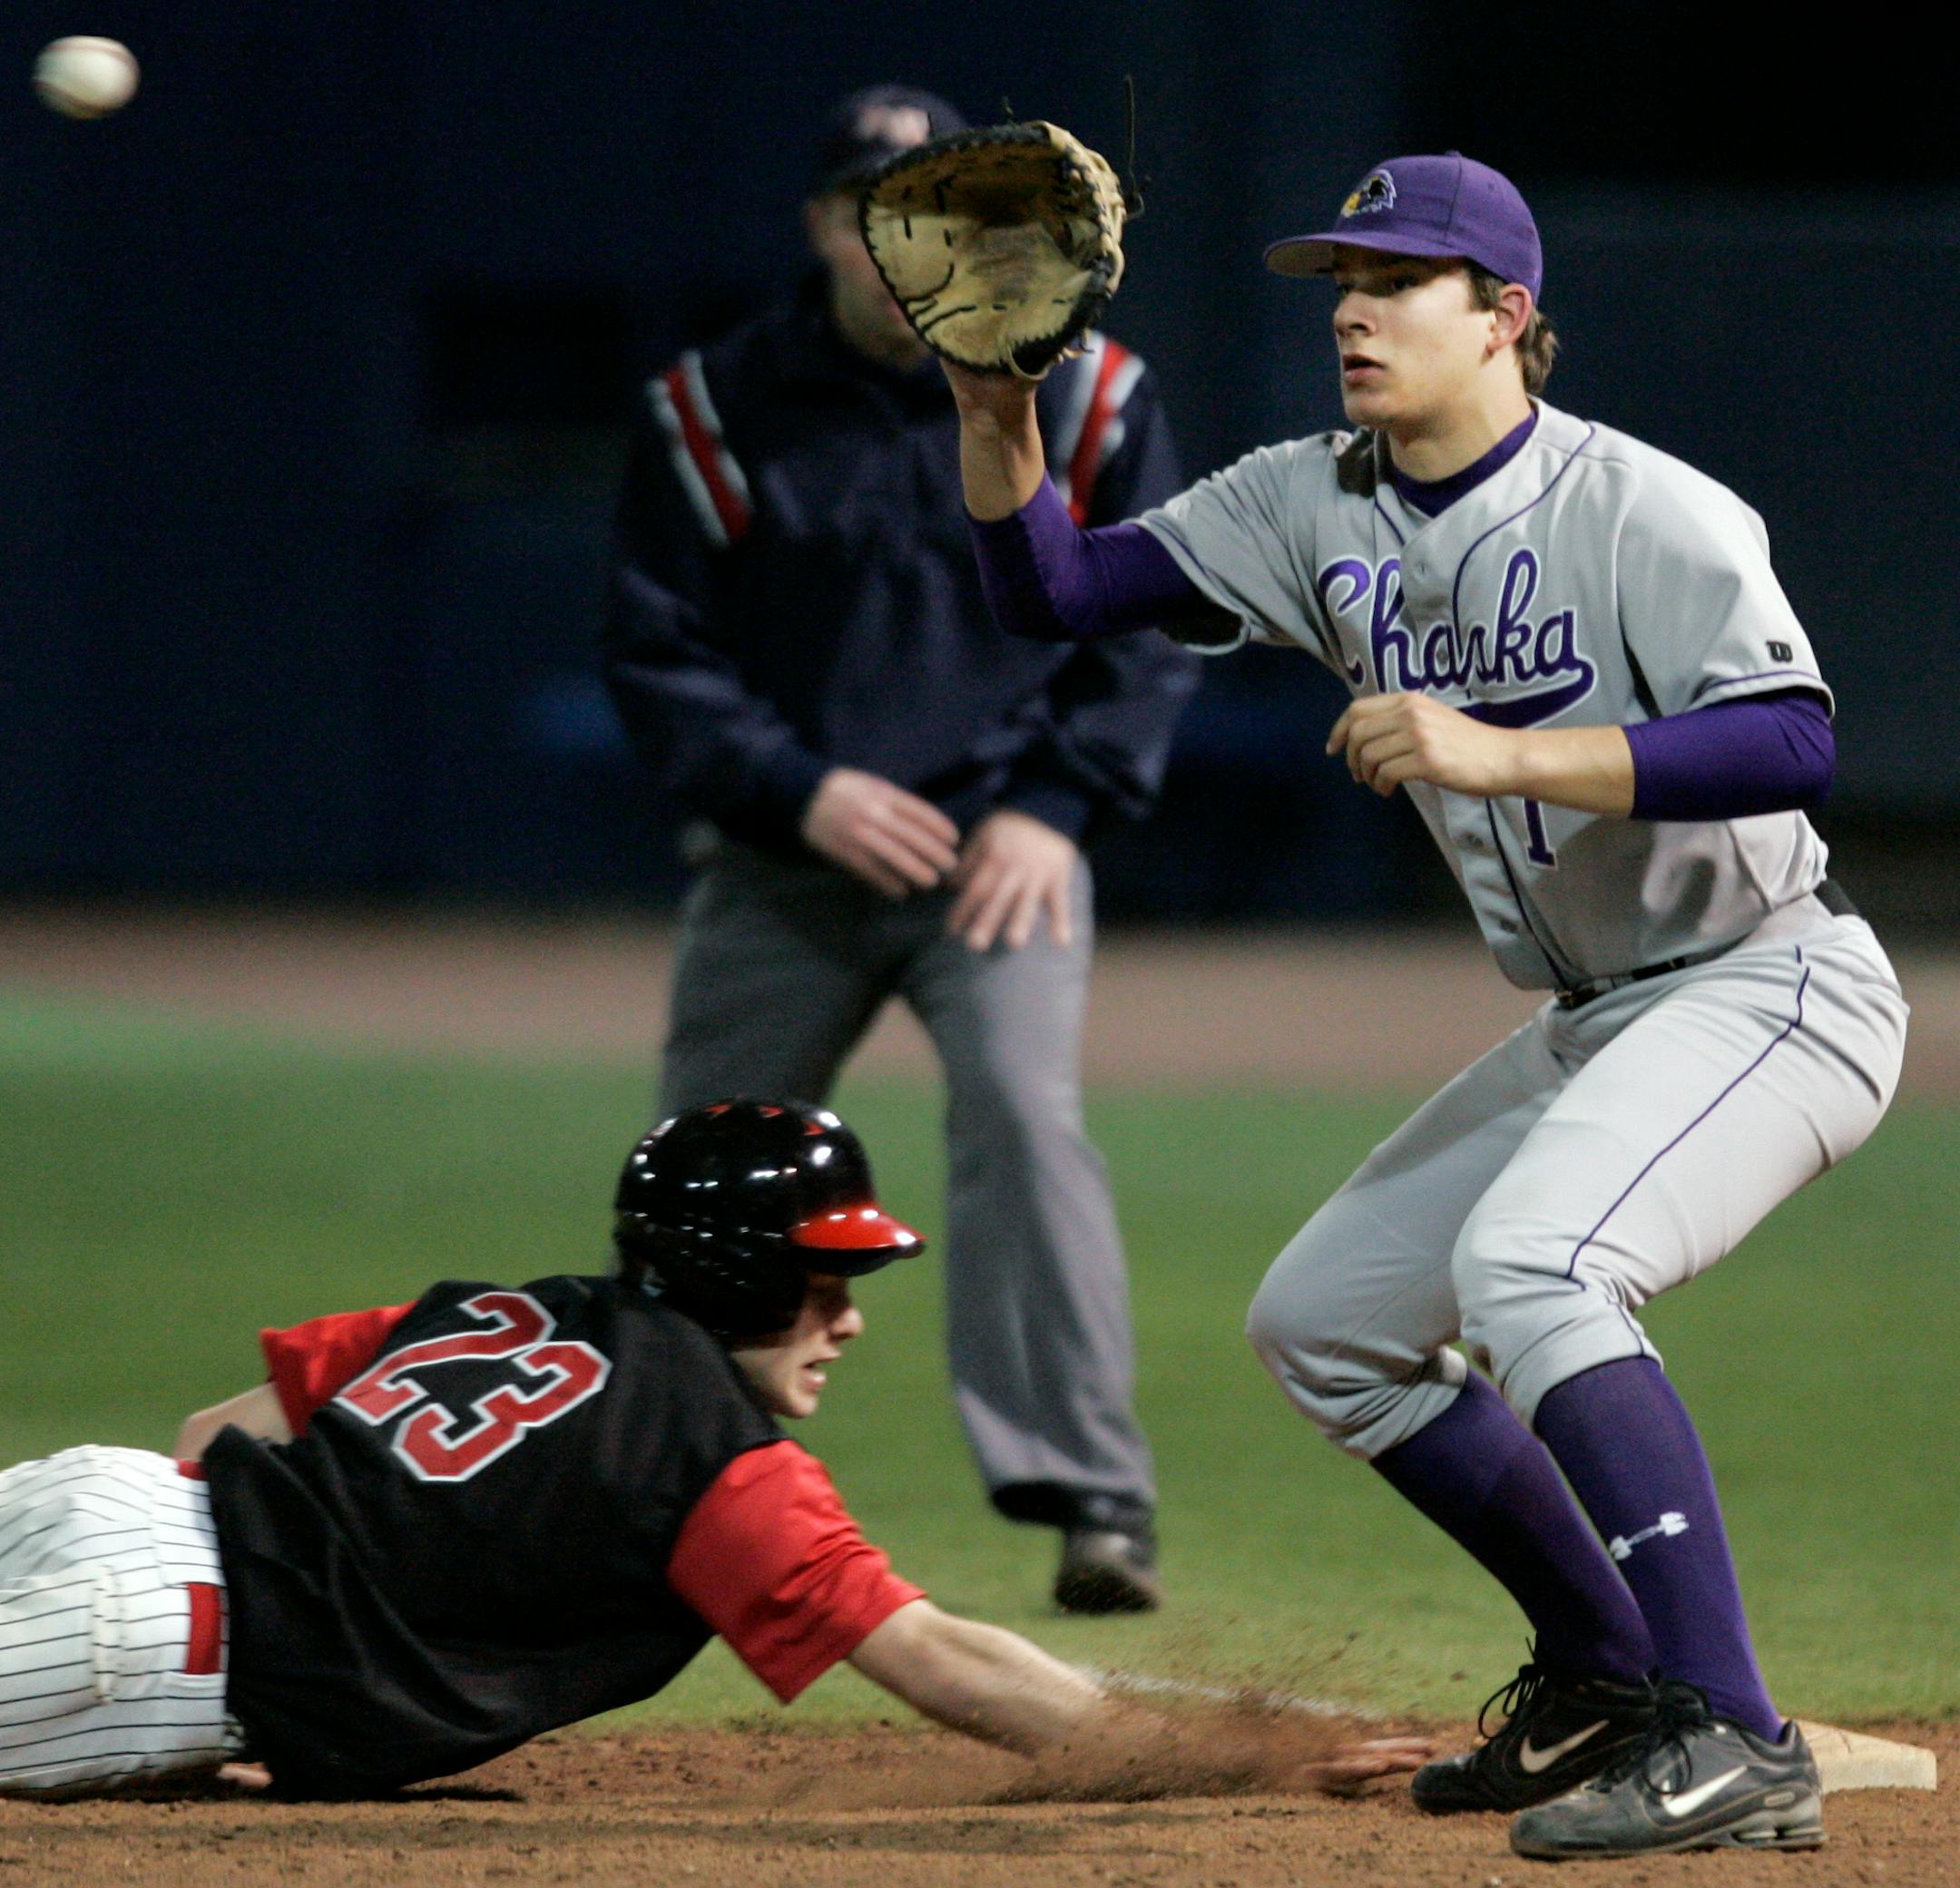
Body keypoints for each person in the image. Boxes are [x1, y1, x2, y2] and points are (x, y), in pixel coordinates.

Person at [941, 152, 1907, 1860]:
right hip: (1594, 1017)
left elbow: (1793, 740)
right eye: (1340, 283)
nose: (1356, 312)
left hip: (1773, 986)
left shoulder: (1645, 506)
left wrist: (1499, 747)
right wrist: (991, 398)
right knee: (1323, 1321)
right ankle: (1612, 1667)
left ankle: (1740, 1734)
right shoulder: (1306, 501)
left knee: (1536, 1261)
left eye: (1397, 280)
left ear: (1509, 317)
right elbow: (1055, 592)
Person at [0, 1100, 1428, 1801]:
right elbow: (946, 1665)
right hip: (144, 1635)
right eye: (825, 1279)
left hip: (91, 1497)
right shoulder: (716, 1462)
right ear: (740, 1273)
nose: (848, 1320)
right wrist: (1250, 1756)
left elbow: (205, 1437)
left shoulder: (527, 1307)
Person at [602, 85, 1200, 1613]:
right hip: (786, 858)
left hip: (994, 860)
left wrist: (1052, 809)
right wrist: (797, 787)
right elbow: (654, 652)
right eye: (874, 212)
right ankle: (646, 1482)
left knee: (1023, 1109)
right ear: (821, 230)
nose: (901, 245)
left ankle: (1091, 1499)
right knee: (700, 1165)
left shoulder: (1092, 397)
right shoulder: (713, 406)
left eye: (932, 215)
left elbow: (1148, 627)